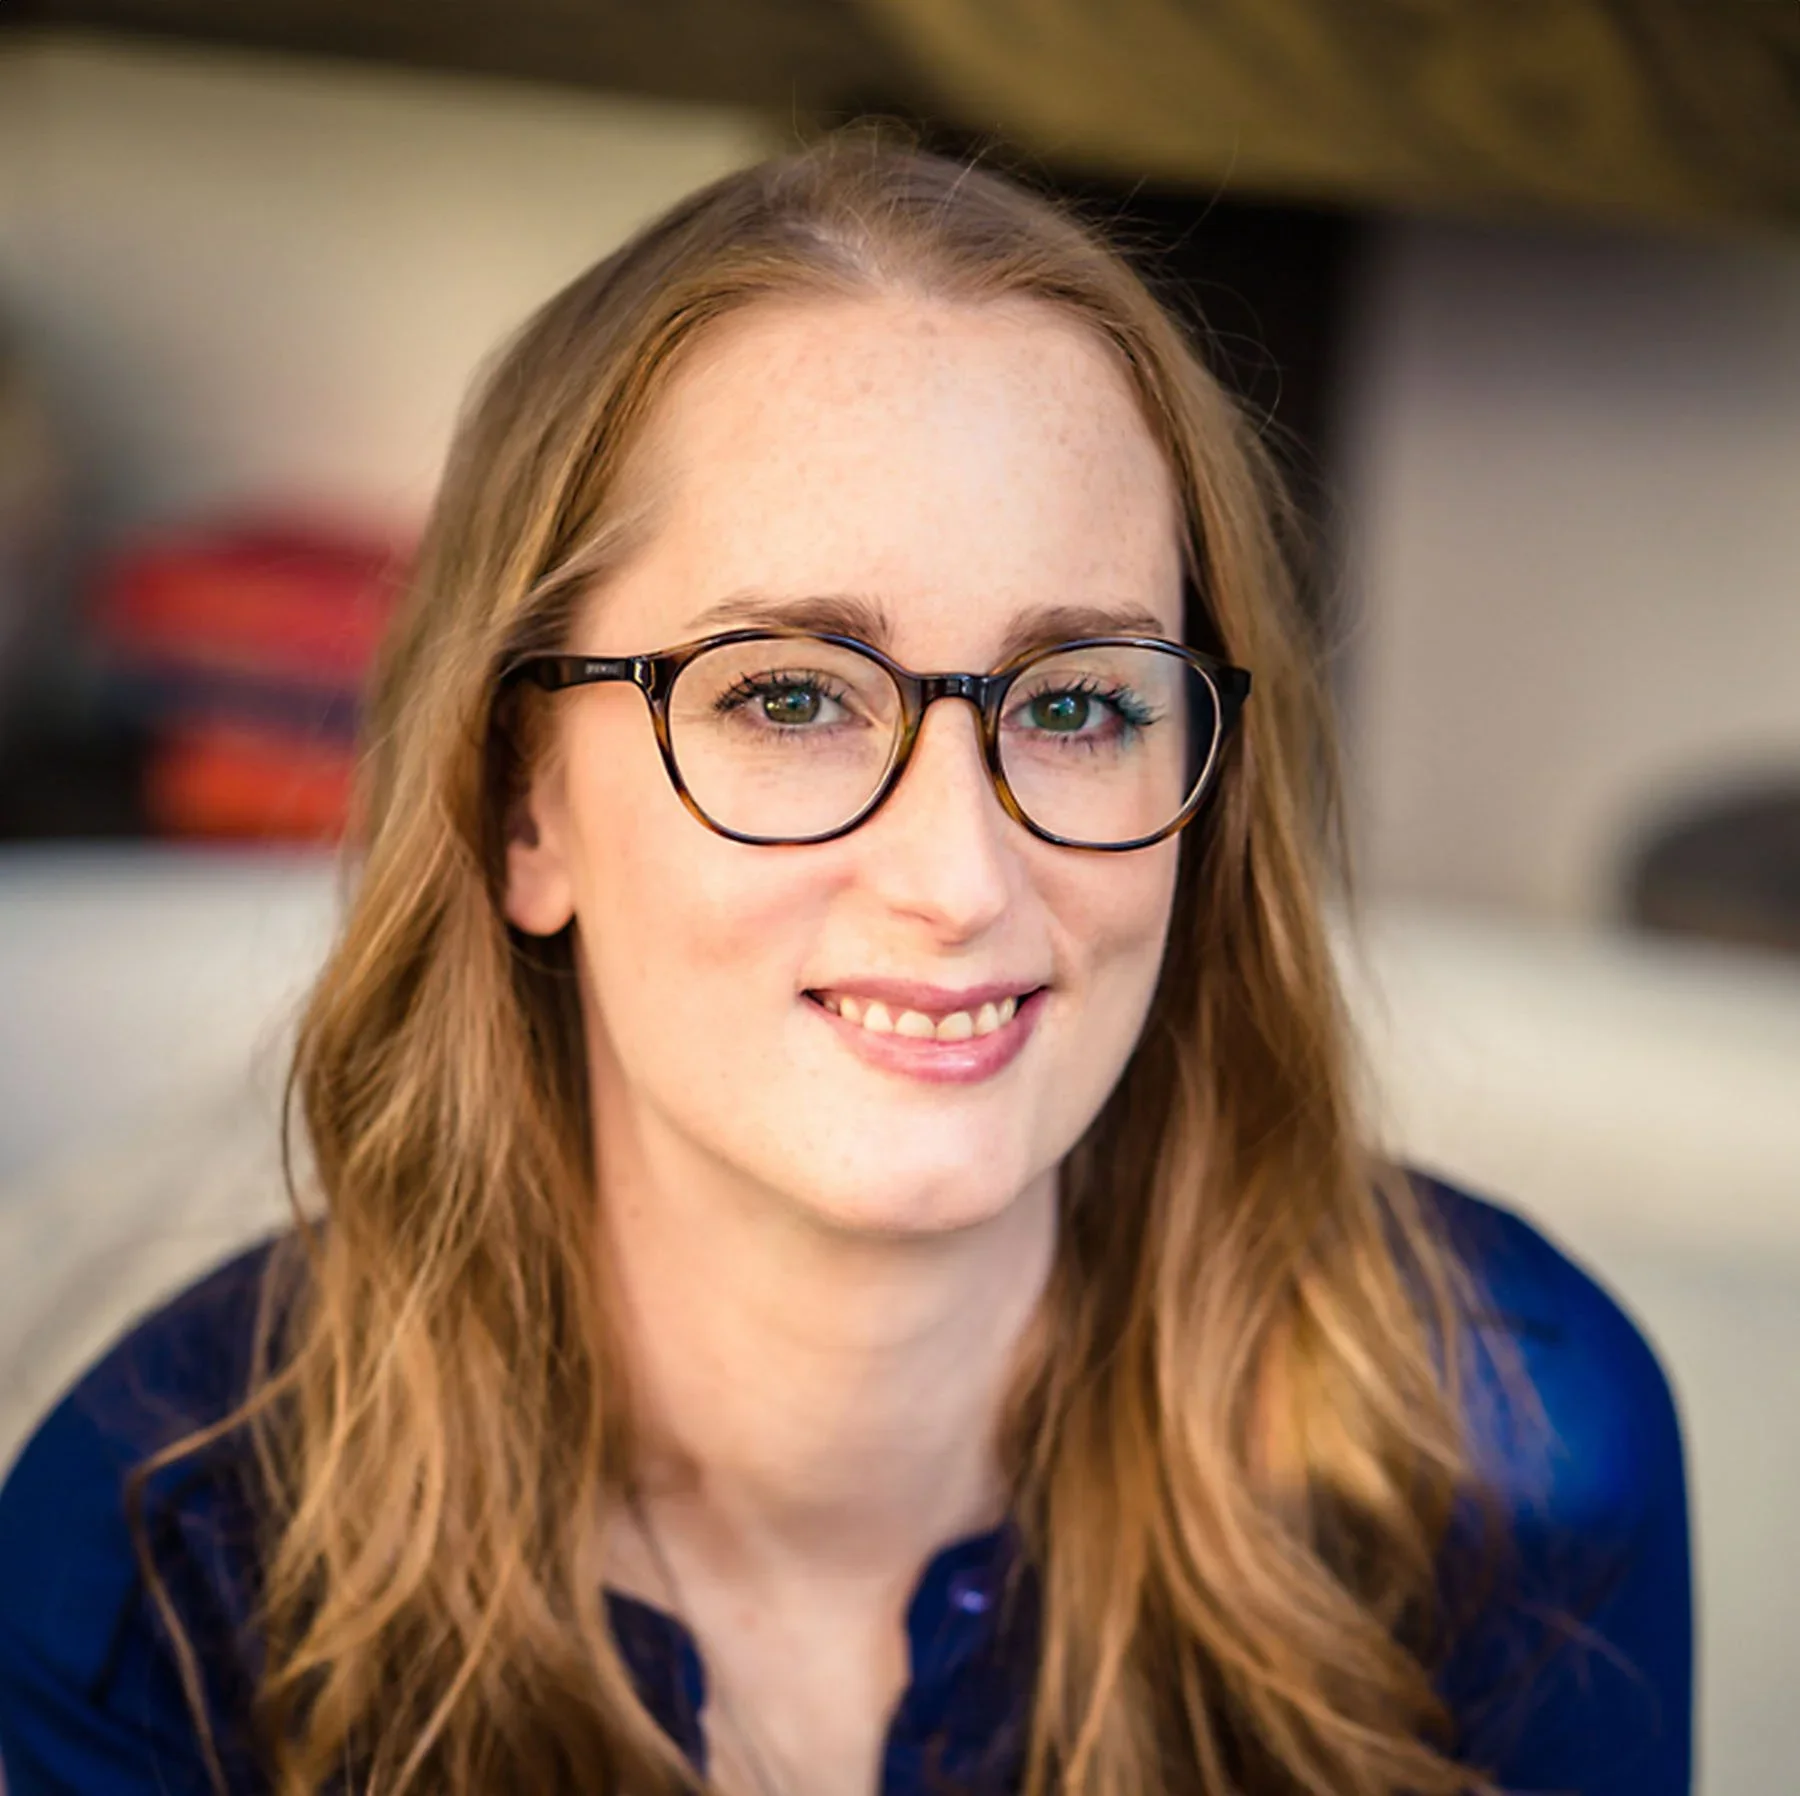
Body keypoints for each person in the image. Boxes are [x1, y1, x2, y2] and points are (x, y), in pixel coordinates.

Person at [0, 136, 1690, 1796]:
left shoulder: (1498, 1444)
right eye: (791, 697)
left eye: (1080, 702)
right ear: (528, 807)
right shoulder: (158, 1557)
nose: (959, 879)